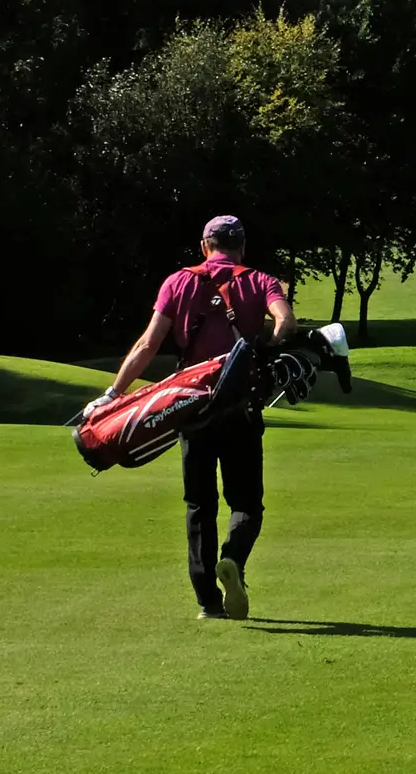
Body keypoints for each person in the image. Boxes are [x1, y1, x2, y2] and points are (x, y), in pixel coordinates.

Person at [93, 215, 297, 620]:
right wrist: (268, 348)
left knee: (198, 504)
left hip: (190, 407)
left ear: (205, 245)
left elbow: (149, 343)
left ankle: (208, 602)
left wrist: (114, 394)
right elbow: (285, 321)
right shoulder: (261, 281)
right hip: (239, 407)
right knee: (246, 504)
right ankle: (233, 560)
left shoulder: (178, 282)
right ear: (242, 247)